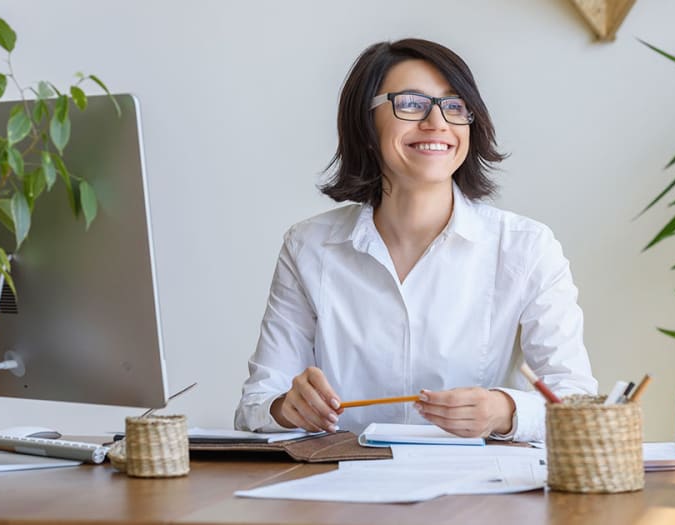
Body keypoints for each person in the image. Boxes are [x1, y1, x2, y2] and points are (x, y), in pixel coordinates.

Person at [234, 38, 596, 442]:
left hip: (476, 491)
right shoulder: (308, 246)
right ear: (366, 124)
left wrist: (505, 411)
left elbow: (576, 399)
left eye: (454, 106)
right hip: (342, 487)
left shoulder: (526, 247)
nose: (437, 123)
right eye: (411, 103)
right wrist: (287, 407)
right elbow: (257, 403)